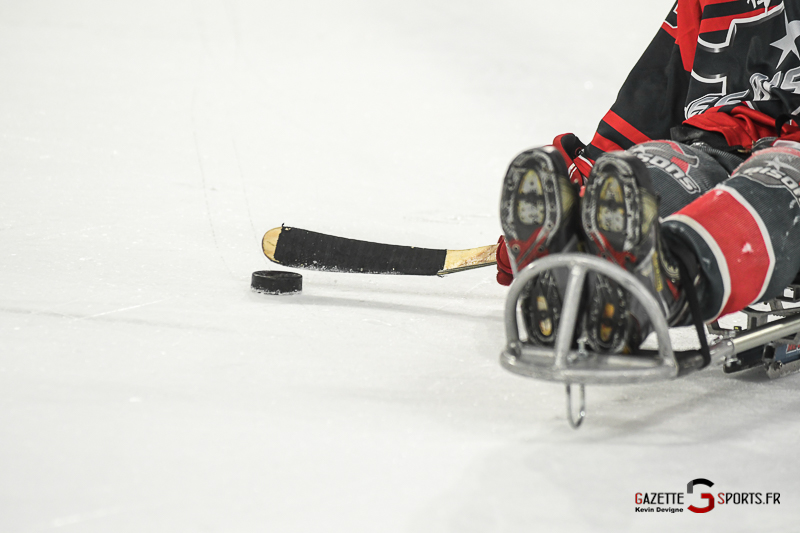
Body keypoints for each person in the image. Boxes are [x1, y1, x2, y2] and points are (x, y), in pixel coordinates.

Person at [497, 0, 800, 354]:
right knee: (658, 164)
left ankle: (666, 277)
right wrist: (582, 187)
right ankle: (573, 259)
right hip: (713, 139)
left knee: (776, 179)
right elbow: (656, 92)